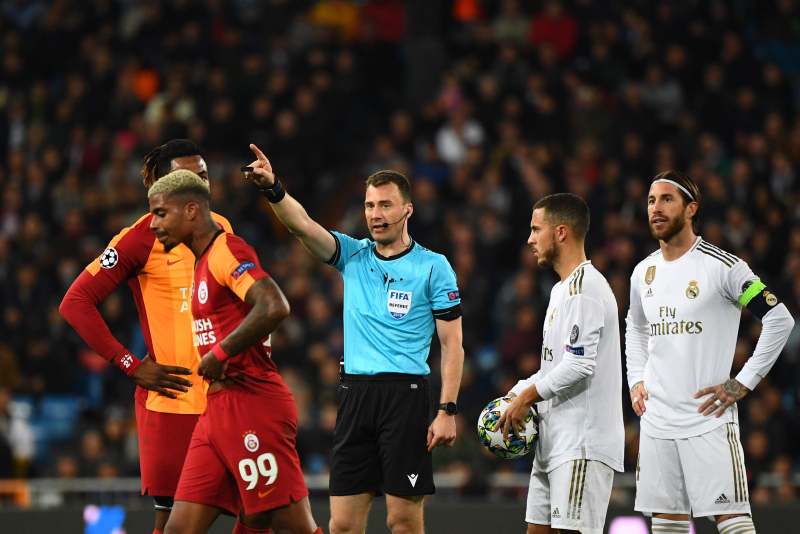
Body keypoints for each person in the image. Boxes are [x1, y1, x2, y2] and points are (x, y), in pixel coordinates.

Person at [243, 143, 464, 534]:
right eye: (369, 205)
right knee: (342, 525)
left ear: (407, 210)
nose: (375, 214)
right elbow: (302, 225)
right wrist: (273, 188)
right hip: (354, 396)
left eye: (385, 205)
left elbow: (452, 345)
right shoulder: (352, 255)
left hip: (405, 398)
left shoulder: (433, 267)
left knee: (402, 522)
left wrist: (447, 410)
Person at [60, 140, 232, 534]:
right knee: (171, 523)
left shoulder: (222, 227)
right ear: (162, 185)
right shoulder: (140, 237)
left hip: (226, 398)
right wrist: (130, 365)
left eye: (204, 175)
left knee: (258, 512)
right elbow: (75, 302)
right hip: (174, 404)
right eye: (186, 177)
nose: (199, 184)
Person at [149, 170, 320, 534]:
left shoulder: (227, 250)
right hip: (216, 410)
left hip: (252, 403)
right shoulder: (200, 263)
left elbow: (274, 305)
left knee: (292, 527)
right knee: (179, 530)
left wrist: (220, 353)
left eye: (161, 213)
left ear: (191, 210)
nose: (153, 224)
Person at [625, 171, 795, 534]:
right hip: (656, 422)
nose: (656, 208)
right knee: (666, 524)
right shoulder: (643, 273)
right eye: (652, 200)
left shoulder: (723, 267)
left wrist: (742, 383)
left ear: (691, 209)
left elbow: (780, 319)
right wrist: (636, 378)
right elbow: (636, 327)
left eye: (667, 199)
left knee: (732, 521)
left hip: (707, 420)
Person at [497, 193, 624, 534]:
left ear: (561, 232)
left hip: (582, 442)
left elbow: (579, 366)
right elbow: (553, 367)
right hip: (553, 441)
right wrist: (515, 395)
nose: (530, 239)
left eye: (536, 229)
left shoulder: (585, 289)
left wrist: (527, 398)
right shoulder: (560, 291)